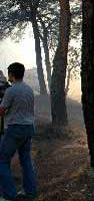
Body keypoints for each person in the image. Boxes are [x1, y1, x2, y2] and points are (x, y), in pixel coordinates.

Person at [0, 63, 37, 201]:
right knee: (25, 159)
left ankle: (9, 195)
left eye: (8, 73)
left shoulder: (11, 91)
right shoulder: (29, 89)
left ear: (11, 74)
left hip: (15, 128)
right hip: (29, 127)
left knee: (2, 161)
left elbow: (2, 111)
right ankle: (30, 191)